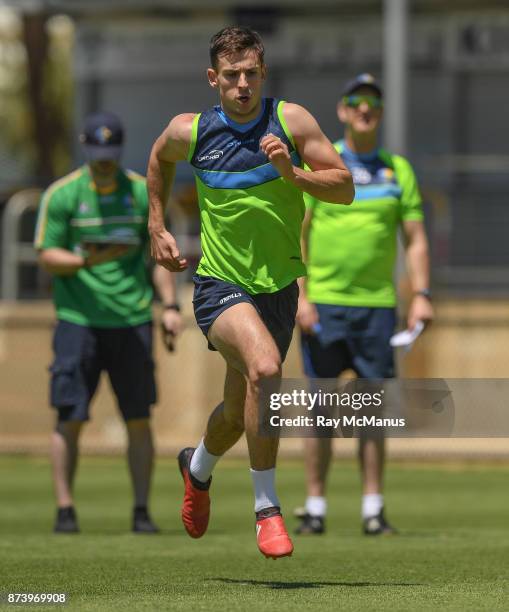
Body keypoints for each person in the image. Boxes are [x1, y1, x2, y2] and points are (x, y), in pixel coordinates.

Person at [147, 26, 354, 559]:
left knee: (237, 415)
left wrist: (293, 173)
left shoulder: (292, 121)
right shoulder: (190, 131)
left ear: (263, 74)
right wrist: (156, 226)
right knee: (265, 368)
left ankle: (197, 469)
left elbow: (346, 186)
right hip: (219, 284)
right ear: (213, 78)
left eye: (251, 75)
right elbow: (158, 158)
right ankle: (267, 509)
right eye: (231, 76)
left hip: (278, 289)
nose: (242, 85)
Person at [295, 73, 434, 536]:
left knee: (370, 410)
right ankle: (315, 505)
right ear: (343, 110)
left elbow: (414, 240)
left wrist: (421, 296)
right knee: (321, 409)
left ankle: (372, 508)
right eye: (356, 101)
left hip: (377, 308)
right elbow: (299, 231)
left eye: (372, 102)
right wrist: (303, 295)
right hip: (326, 306)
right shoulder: (324, 162)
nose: (364, 109)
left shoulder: (398, 170)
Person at [34, 112, 182, 534]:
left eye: (110, 152)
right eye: (97, 152)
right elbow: (46, 254)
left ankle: (141, 511)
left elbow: (159, 257)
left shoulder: (140, 193)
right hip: (78, 320)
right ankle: (65, 509)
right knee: (70, 415)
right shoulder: (63, 195)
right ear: (86, 147)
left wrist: (169, 307)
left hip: (133, 319)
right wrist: (85, 259)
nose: (103, 160)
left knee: (139, 417)